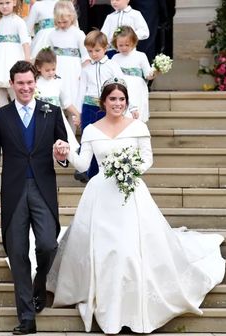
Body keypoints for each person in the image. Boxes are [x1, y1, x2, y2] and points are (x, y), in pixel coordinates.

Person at [49, 77, 225, 334]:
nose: (117, 103)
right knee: (104, 252)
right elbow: (84, 165)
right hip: (100, 196)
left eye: (121, 99)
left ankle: (130, 309)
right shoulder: (91, 129)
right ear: (104, 102)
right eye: (112, 99)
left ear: (126, 101)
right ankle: (107, 307)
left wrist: (130, 170)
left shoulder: (138, 126)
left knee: (129, 251)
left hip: (130, 193)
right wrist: (63, 155)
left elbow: (147, 159)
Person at [0, 60, 68, 335]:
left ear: (36, 83)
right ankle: (26, 317)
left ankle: (40, 282)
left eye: (29, 82)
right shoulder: (0, 117)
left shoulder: (52, 112)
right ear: (12, 84)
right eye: (20, 83)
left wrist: (62, 156)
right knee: (17, 252)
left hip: (42, 188)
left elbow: (64, 150)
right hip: (12, 191)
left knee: (48, 244)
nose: (25, 87)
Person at [75, 29, 134, 182]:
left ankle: (107, 172)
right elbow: (81, 91)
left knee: (104, 138)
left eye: (97, 50)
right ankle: (89, 173)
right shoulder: (86, 69)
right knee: (89, 138)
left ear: (105, 48)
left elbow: (122, 87)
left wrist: (130, 107)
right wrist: (77, 113)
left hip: (106, 108)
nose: (93, 54)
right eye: (90, 51)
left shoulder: (112, 66)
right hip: (89, 107)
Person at [49, 0, 90, 115]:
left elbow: (86, 56)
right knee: (58, 99)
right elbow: (49, 54)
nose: (61, 25)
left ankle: (71, 131)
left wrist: (83, 74)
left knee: (73, 100)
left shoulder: (78, 34)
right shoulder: (52, 34)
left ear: (72, 17)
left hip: (73, 72)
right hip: (57, 71)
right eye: (59, 22)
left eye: (65, 22)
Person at [34, 46, 80, 149]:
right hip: (39, 118)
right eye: (47, 70)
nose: (51, 72)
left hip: (56, 118)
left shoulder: (58, 82)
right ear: (38, 68)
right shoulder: (35, 82)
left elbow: (66, 102)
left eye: (53, 69)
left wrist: (77, 113)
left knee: (58, 143)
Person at [0, 0, 31, 107]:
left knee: (13, 87)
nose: (4, 6)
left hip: (13, 57)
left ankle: (17, 112)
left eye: (7, 3)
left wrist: (27, 59)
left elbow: (25, 42)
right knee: (1, 89)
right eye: (1, 3)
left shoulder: (18, 21)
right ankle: (4, 116)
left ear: (14, 3)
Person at [112, 25, 155, 122]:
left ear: (134, 42)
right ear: (116, 44)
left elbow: (147, 74)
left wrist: (154, 72)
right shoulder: (115, 58)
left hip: (137, 89)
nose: (124, 48)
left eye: (127, 45)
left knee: (137, 113)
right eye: (120, 45)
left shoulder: (140, 56)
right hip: (122, 88)